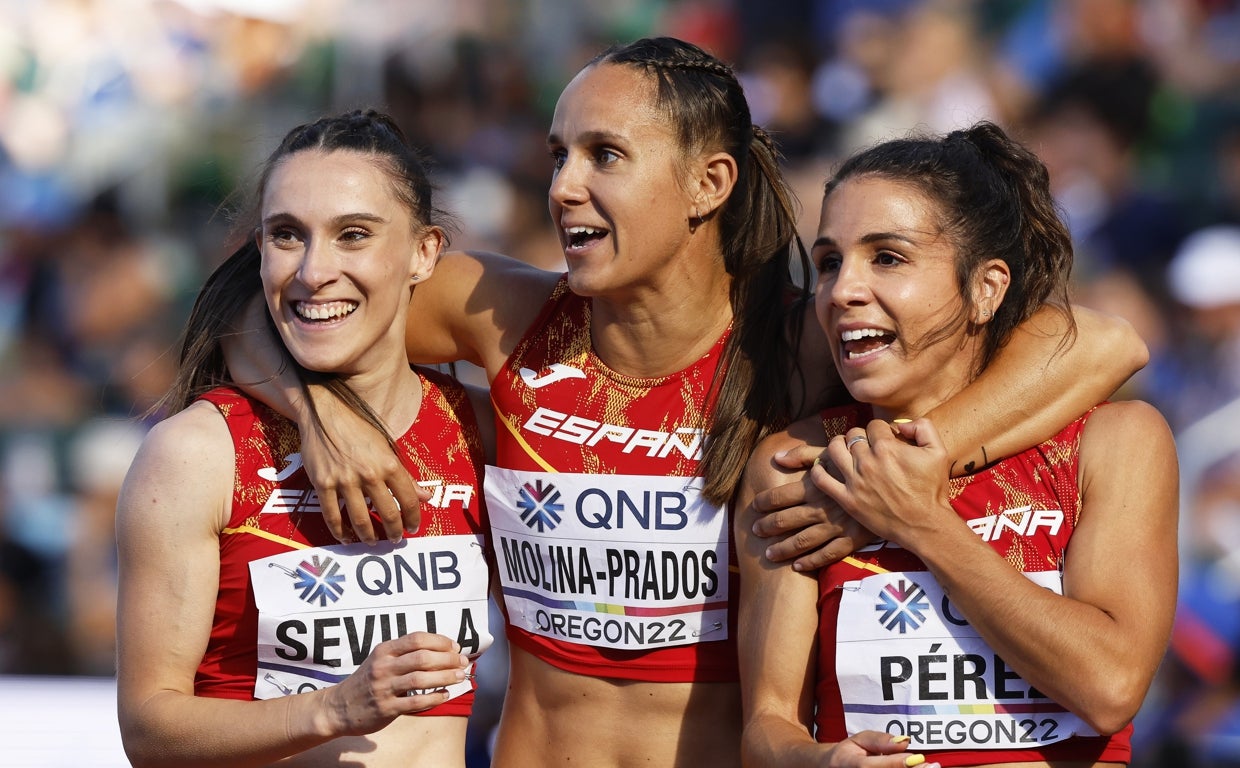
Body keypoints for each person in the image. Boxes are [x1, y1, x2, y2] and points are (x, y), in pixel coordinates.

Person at [224, 40, 1146, 767]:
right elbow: (262, 299)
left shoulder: (795, 343)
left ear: (709, 184)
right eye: (557, 155)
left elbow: (1104, 343)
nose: (563, 187)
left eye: (604, 155)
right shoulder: (503, 316)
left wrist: (913, 465)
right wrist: (322, 414)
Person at [734, 121, 1178, 768]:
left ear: (985, 289)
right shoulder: (796, 468)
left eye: (887, 257)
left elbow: (1110, 688)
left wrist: (921, 522)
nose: (842, 291)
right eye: (829, 262)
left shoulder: (1113, 441)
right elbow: (767, 728)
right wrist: (821, 761)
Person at [115, 111, 494, 768]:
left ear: (424, 253)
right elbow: (150, 730)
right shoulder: (196, 453)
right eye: (287, 235)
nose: (315, 271)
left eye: (353, 235)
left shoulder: (481, 431)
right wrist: (334, 708)